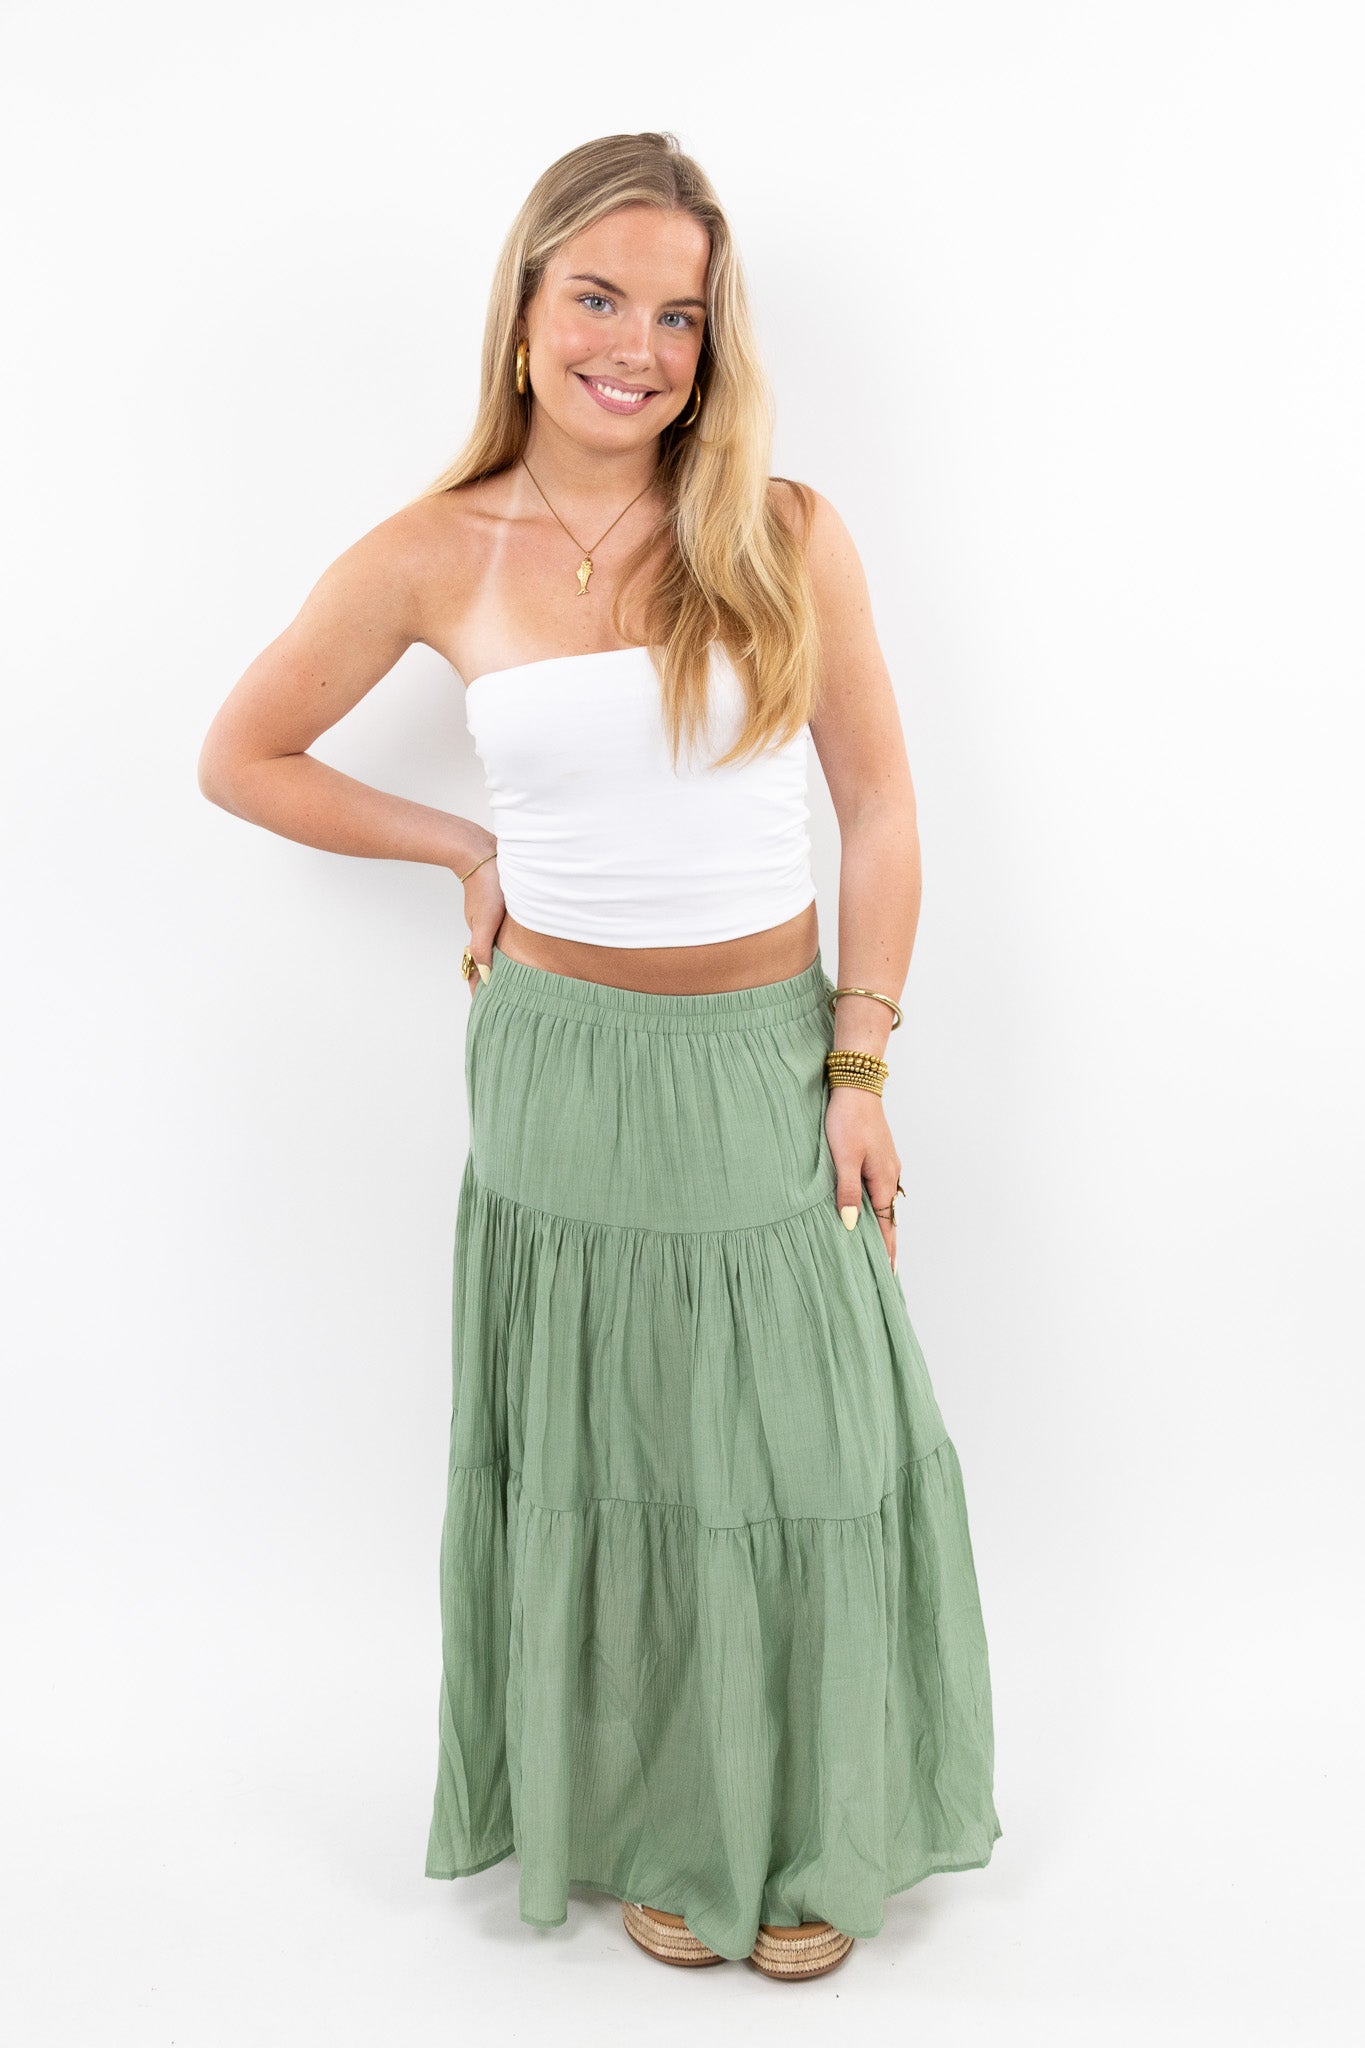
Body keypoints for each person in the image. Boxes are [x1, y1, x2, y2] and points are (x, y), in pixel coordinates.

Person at [197, 129, 1000, 1982]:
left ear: (712, 348)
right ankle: (666, 1820)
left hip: (764, 1057)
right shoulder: (432, 551)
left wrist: (859, 1063)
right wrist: (460, 850)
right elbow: (243, 756)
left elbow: (879, 808)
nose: (635, 346)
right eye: (598, 298)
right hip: (561, 1066)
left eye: (678, 317)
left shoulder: (781, 530)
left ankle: (805, 1822)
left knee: (804, 1450)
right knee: (621, 1454)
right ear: (525, 308)